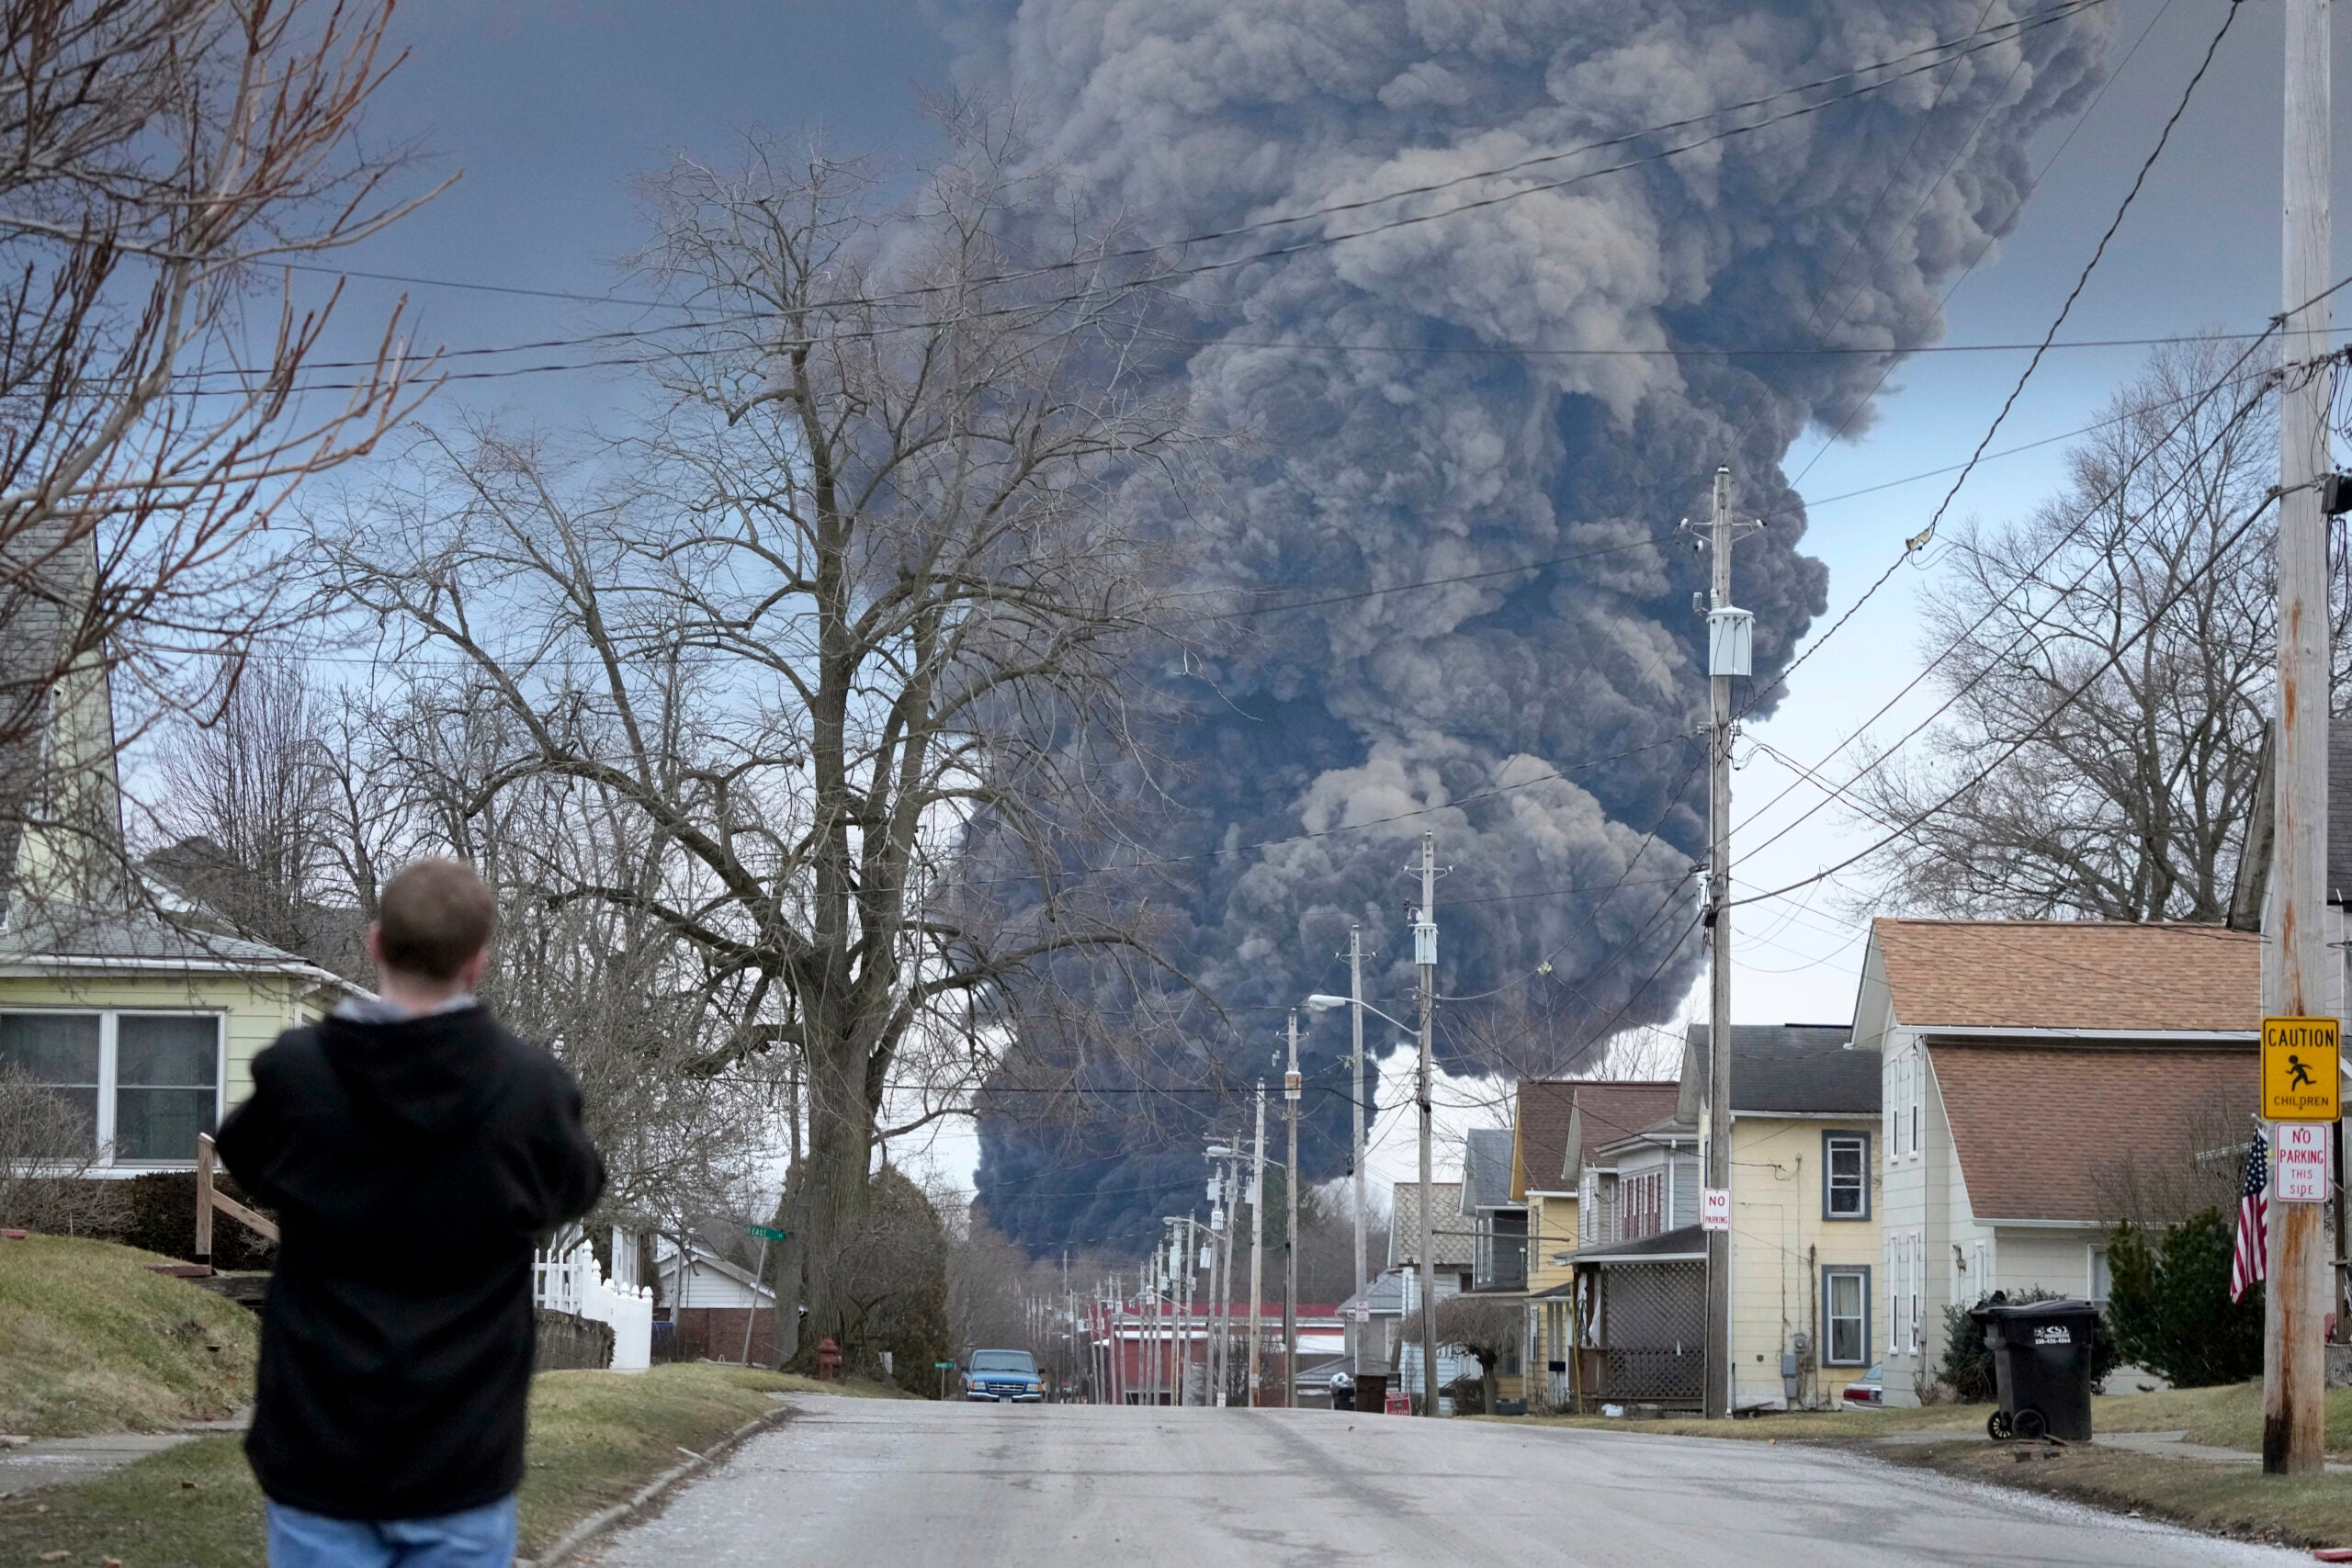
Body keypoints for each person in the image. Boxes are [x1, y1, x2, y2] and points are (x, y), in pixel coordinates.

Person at [217, 858, 605, 1568]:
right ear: (478, 961)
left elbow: (245, 1157)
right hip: (462, 1460)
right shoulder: (530, 1095)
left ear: (374, 943)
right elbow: (575, 1188)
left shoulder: (300, 1077)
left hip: (318, 1450)